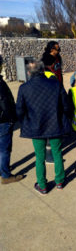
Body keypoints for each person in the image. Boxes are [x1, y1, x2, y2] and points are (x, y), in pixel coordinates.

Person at [16, 60, 71, 195]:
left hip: (36, 126)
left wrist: (24, 121)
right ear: (42, 70)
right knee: (57, 153)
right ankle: (59, 181)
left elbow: (19, 110)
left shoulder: (24, 88)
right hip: (55, 124)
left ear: (28, 72)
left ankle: (42, 185)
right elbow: (66, 105)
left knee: (39, 157)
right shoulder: (56, 84)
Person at [0, 55, 23, 184]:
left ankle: (2, 168)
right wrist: (13, 117)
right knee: (4, 149)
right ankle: (5, 175)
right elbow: (4, 102)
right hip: (3, 121)